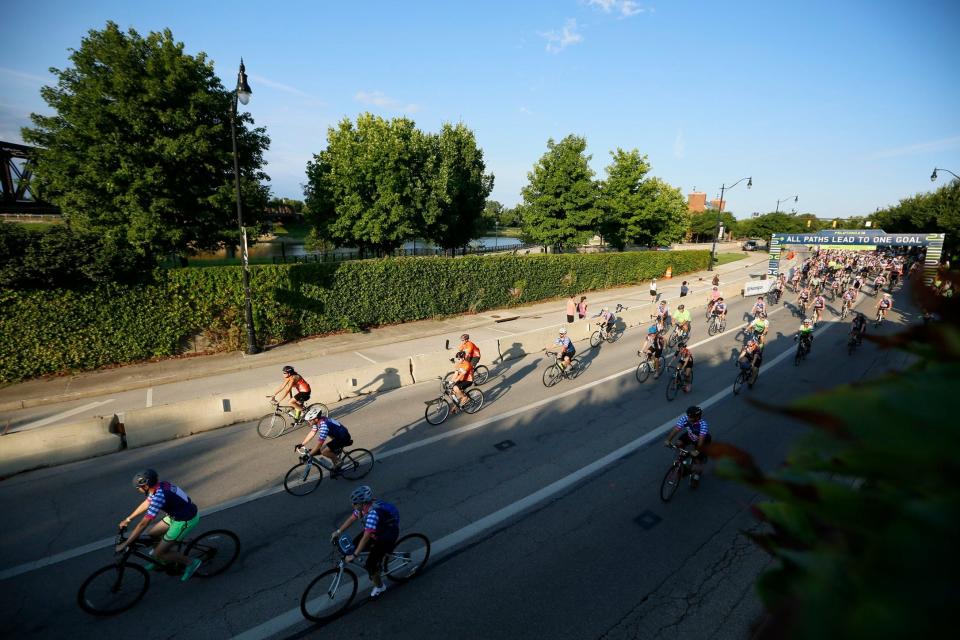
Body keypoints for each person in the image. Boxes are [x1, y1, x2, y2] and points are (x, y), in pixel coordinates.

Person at [117, 470, 202, 582]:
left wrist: (126, 543)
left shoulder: (159, 496)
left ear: (146, 485)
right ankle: (162, 560)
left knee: (159, 552)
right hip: (175, 515)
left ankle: (191, 563)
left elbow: (143, 524)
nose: (137, 489)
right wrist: (128, 519)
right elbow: (147, 503)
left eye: (138, 487)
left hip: (184, 520)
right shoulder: (159, 486)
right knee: (153, 534)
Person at [330, 486, 400, 599]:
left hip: (386, 536)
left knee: (370, 565)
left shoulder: (373, 514)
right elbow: (352, 518)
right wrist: (338, 531)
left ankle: (380, 587)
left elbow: (366, 536)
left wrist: (354, 555)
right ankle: (376, 561)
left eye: (354, 503)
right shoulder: (362, 508)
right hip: (376, 531)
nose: (352, 505)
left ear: (362, 503)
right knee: (353, 546)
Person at [664, 406, 711, 487]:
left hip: (701, 441)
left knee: (697, 462)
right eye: (688, 416)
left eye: (691, 417)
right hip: (690, 436)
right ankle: (682, 461)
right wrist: (668, 440)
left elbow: (700, 441)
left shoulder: (703, 425)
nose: (688, 418)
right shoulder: (685, 418)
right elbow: (676, 429)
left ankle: (696, 478)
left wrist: (697, 451)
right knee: (678, 443)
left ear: (697, 417)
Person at [296, 407, 353, 474]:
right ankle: (335, 459)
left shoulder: (324, 426)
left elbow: (319, 443)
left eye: (310, 420)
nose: (308, 422)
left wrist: (309, 455)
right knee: (323, 449)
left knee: (324, 451)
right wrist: (302, 444)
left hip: (343, 438)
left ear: (316, 419)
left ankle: (338, 461)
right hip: (337, 436)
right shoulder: (318, 421)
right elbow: (312, 433)